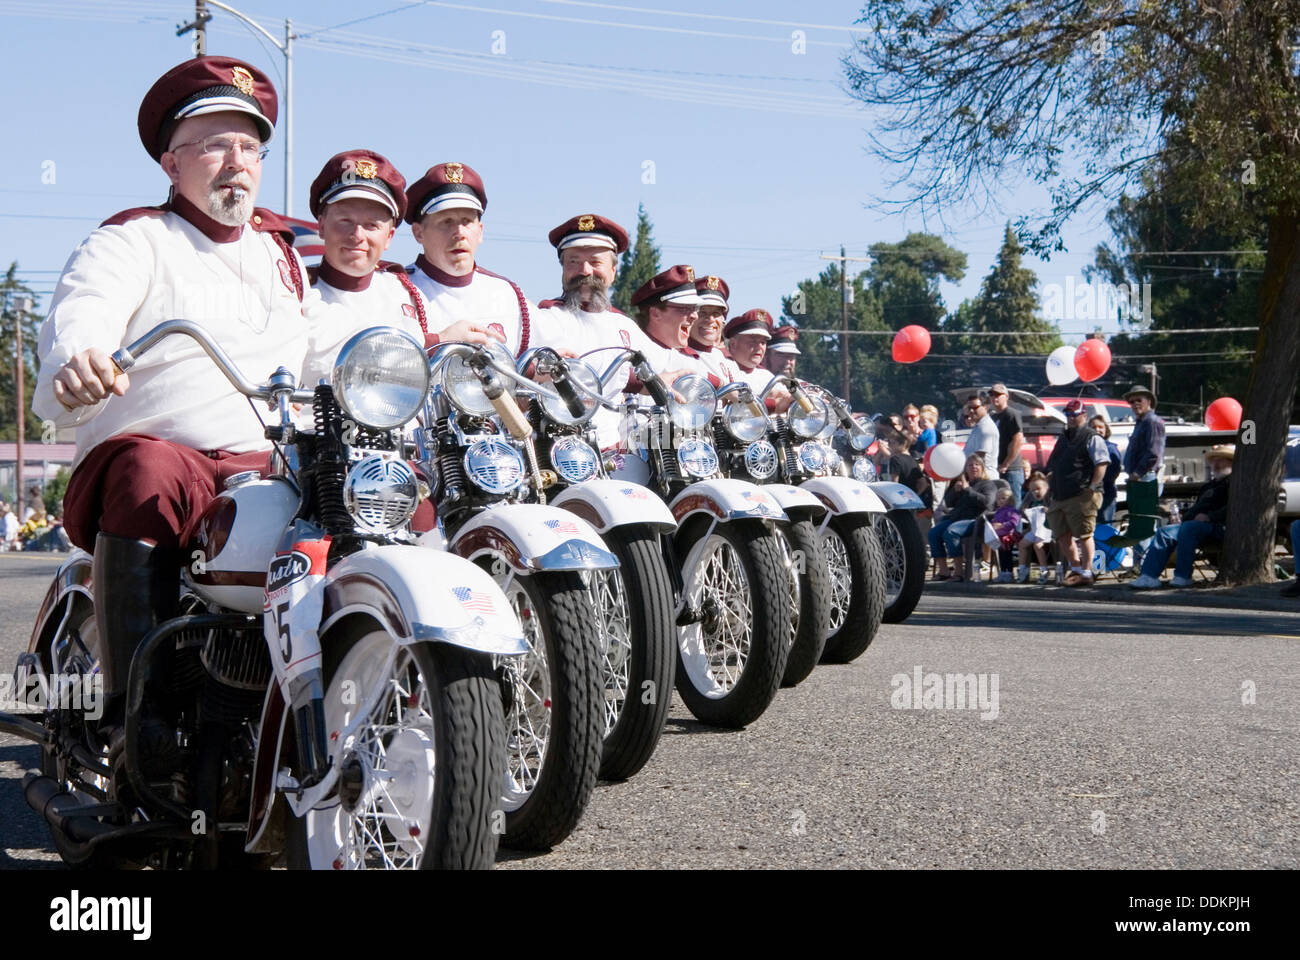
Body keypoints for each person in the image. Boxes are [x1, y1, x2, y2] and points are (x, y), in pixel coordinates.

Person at [32, 56, 338, 726]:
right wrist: (81, 358)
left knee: (376, 494)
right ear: (172, 164)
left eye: (249, 145)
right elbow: (86, 309)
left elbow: (322, 353)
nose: (236, 162)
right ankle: (138, 714)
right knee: (152, 471)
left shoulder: (281, 256)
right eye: (213, 145)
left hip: (271, 467)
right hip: (178, 462)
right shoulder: (133, 239)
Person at [303, 149, 497, 387]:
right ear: (321, 225)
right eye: (345, 221)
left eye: (371, 225)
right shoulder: (297, 291)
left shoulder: (405, 293)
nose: (357, 235)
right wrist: (438, 340)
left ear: (389, 237)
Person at [404, 161, 534, 356]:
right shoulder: (398, 289)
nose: (459, 233)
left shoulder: (508, 294)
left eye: (467, 222)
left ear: (480, 232)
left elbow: (531, 361)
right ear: (418, 232)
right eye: (446, 222)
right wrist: (438, 342)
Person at [1130, 445, 1233, 589]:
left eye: (1221, 460)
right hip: (1196, 526)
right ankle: (1148, 576)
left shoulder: (1233, 483)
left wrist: (1210, 517)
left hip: (1220, 526)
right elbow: (1196, 509)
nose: (1216, 464)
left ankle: (1182, 576)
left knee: (1189, 529)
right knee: (1165, 531)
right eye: (1214, 461)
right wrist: (1183, 518)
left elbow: (1233, 508)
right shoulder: (1209, 486)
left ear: (1231, 462)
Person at [1043, 399, 1110, 586]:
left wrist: (1092, 487)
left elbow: (1102, 464)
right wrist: (1050, 482)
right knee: (1061, 535)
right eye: (1068, 414)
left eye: (1075, 414)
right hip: (1060, 494)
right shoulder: (1064, 436)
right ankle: (1076, 569)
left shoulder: (1092, 437)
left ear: (1084, 415)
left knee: (1085, 534)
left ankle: (1087, 572)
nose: (1071, 418)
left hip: (1082, 493)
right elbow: (1053, 463)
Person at [927, 454, 997, 581]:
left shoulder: (988, 485)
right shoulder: (963, 484)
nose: (973, 467)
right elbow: (948, 503)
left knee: (951, 532)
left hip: (975, 520)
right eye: (970, 465)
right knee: (933, 533)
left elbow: (987, 502)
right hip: (956, 518)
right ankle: (944, 570)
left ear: (982, 468)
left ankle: (959, 572)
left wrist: (968, 490)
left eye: (977, 464)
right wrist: (955, 491)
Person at [1121, 383, 1166, 570]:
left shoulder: (1153, 422)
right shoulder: (1142, 423)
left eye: (1138, 400)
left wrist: (1137, 474)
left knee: (1145, 524)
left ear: (1148, 402)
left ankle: (1147, 568)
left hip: (1145, 478)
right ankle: (1139, 566)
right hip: (1139, 479)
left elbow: (1153, 453)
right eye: (1132, 401)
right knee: (1138, 523)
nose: (1134, 404)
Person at [988, 383, 1025, 506]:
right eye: (992, 394)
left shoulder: (1011, 414)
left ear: (1006, 397)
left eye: (998, 394)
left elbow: (1018, 439)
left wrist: (1006, 464)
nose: (994, 397)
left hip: (1011, 470)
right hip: (997, 468)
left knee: (1012, 507)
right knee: (999, 508)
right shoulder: (993, 417)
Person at [1014, 471, 1053, 584]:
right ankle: (1022, 569)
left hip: (1048, 530)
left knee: (1037, 545)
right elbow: (1021, 511)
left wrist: (1048, 511)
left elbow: (1055, 511)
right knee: (1022, 544)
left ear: (1046, 488)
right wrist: (1026, 513)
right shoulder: (1032, 501)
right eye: (1032, 490)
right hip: (1035, 530)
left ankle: (1044, 570)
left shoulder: (1050, 499)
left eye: (1038, 489)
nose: (1035, 492)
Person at [1090, 414, 1123, 523]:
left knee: (1105, 528)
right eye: (1093, 427)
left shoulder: (1111, 448)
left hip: (1106, 494)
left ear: (1106, 429)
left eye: (1100, 427)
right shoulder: (1086, 448)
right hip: (1088, 495)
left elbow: (1114, 471)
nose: (1097, 430)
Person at [962, 393, 1000, 478]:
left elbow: (979, 459)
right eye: (969, 408)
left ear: (985, 407)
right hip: (976, 478)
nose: (971, 411)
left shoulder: (985, 428)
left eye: (975, 407)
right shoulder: (979, 426)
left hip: (984, 478)